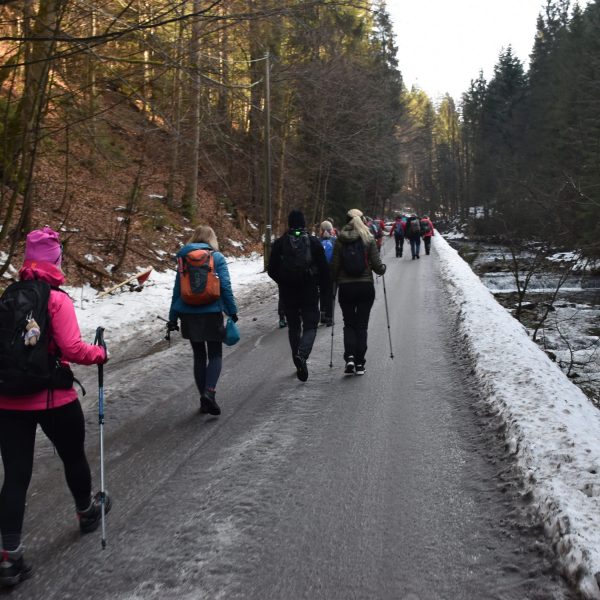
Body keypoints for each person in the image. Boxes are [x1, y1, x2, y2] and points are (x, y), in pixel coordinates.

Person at [0, 227, 109, 587]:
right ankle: (86, 511)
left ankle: (9, 557)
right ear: (56, 261)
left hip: (8, 400)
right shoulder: (57, 300)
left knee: (16, 475)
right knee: (73, 457)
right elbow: (73, 349)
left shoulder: (9, 297)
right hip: (52, 397)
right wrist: (100, 354)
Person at [168, 225, 238, 416]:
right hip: (212, 312)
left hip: (189, 314)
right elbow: (225, 286)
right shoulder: (217, 257)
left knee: (199, 356)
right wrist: (232, 311)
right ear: (212, 239)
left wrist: (172, 318)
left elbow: (177, 291)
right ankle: (209, 392)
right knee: (215, 354)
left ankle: (203, 399)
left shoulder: (183, 258)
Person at [267, 209, 330, 382]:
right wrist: (324, 290)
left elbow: (271, 270)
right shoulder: (313, 242)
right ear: (304, 223)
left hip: (288, 293)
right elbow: (324, 270)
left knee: (294, 327)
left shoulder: (280, 243)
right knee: (310, 326)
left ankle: (297, 361)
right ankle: (302, 355)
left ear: (289, 223)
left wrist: (283, 280)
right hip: (309, 291)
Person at [331, 209, 386, 375]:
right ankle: (360, 363)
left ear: (346, 221)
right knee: (362, 325)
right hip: (365, 287)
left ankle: (349, 357)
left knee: (349, 324)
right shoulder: (368, 238)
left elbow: (334, 267)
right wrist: (382, 268)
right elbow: (378, 267)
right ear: (362, 220)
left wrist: (333, 282)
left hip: (346, 288)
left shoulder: (340, 240)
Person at [319, 220, 336, 326]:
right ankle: (330, 317)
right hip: (331, 273)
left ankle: (323, 315)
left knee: (322, 293)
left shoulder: (317, 241)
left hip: (321, 273)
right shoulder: (335, 241)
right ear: (331, 230)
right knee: (331, 295)